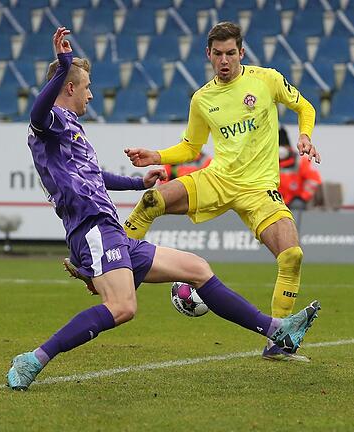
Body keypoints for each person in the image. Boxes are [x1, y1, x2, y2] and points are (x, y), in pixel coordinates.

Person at [7, 28, 320, 391]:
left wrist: (138, 183)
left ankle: (277, 331)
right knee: (123, 307)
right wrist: (63, 66)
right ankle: (34, 359)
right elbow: (36, 110)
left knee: (197, 269)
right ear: (71, 88)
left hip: (109, 229)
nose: (91, 94)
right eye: (87, 87)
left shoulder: (73, 129)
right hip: (91, 228)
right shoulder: (50, 124)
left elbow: (96, 176)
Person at [121, 22, 320, 362]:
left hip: (258, 189)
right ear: (208, 55)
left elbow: (305, 107)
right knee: (152, 200)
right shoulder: (202, 98)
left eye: (231, 53)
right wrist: (157, 156)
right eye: (218, 54)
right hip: (218, 179)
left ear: (241, 53)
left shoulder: (266, 79)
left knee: (292, 256)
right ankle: (117, 270)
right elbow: (190, 147)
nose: (224, 61)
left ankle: (279, 341)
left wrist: (305, 135)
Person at [278, 127, 322, 210]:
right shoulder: (267, 162)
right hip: (273, 201)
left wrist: (302, 197)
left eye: (283, 146)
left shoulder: (301, 161)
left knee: (297, 205)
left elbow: (313, 181)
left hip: (294, 201)